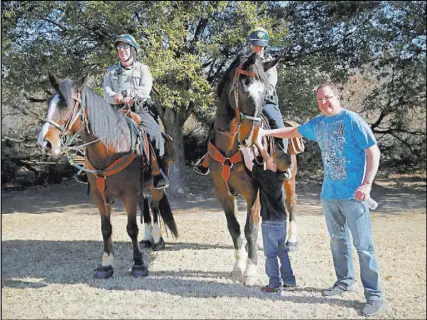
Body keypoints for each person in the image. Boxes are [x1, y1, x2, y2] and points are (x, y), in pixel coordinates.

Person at [257, 83, 384, 316]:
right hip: (329, 195)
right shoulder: (319, 124)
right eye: (320, 100)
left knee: (363, 247)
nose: (324, 102)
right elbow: (292, 132)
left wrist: (367, 184)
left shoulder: (352, 120)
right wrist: (266, 133)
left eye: (328, 98)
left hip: (354, 196)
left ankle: (374, 295)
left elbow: (373, 151)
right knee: (338, 241)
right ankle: (344, 281)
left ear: (337, 97)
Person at [75, 34, 168, 189]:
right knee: (93, 132)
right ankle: (88, 170)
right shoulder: (111, 71)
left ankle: (158, 172)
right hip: (116, 112)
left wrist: (131, 96)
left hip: (139, 110)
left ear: (132, 50)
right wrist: (116, 97)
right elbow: (106, 91)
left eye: (125, 47)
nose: (122, 51)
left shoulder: (143, 69)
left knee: (155, 135)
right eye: (119, 48)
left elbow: (145, 90)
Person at [193, 27, 289, 176]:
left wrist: (257, 93)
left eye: (261, 46)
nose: (258, 48)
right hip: (243, 100)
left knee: (277, 123)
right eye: (255, 45)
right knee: (220, 121)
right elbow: (230, 79)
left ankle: (283, 162)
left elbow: (270, 85)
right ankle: (207, 157)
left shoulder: (269, 63)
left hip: (265, 100)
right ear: (250, 44)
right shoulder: (241, 61)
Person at [241, 139, 296, 294]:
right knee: (282, 251)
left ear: (274, 164)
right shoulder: (281, 175)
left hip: (269, 223)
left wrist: (246, 149)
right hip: (281, 221)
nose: (268, 158)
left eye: (271, 158)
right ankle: (289, 281)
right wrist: (261, 147)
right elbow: (270, 161)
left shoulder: (266, 176)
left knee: (270, 255)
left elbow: (249, 164)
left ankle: (274, 284)